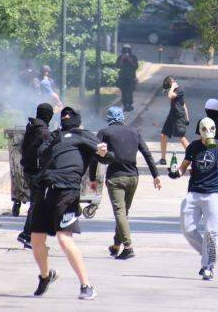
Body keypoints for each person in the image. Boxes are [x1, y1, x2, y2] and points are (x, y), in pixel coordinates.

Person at [30, 106, 111, 299]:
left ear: (77, 118)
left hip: (67, 191)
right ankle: (45, 276)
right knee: (36, 238)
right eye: (63, 115)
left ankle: (86, 286)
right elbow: (41, 152)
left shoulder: (84, 135)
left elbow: (107, 156)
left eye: (70, 115)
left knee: (64, 238)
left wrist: (102, 152)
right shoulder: (55, 136)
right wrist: (51, 141)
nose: (66, 117)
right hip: (46, 188)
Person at [168, 117, 218, 281]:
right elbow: (183, 167)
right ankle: (209, 254)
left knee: (212, 232)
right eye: (204, 129)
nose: (207, 133)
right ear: (199, 131)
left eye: (210, 129)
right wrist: (175, 173)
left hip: (213, 194)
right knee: (187, 228)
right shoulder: (193, 146)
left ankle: (208, 265)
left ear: (214, 130)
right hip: (194, 192)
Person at [97, 106, 161, 260]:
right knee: (123, 214)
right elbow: (146, 153)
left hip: (116, 178)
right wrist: (155, 175)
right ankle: (116, 246)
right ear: (122, 118)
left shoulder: (104, 132)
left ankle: (128, 247)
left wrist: (93, 177)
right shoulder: (134, 131)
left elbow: (95, 154)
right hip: (133, 178)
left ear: (109, 119)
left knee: (120, 213)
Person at [17, 103, 54, 249]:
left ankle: (28, 235)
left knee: (36, 204)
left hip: (29, 169)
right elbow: (47, 153)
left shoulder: (32, 127)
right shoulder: (42, 131)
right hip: (36, 172)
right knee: (37, 205)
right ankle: (27, 235)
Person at [159, 76, 190, 165]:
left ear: (170, 83)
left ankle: (194, 156)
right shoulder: (175, 90)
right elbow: (183, 104)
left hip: (178, 116)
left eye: (168, 86)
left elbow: (170, 95)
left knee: (181, 137)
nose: (168, 89)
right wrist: (187, 117)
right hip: (172, 115)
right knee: (163, 135)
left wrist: (172, 86)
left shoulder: (179, 90)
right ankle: (163, 158)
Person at [116, 44, 138, 112]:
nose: (126, 51)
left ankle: (129, 105)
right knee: (123, 92)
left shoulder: (133, 57)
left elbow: (135, 66)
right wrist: (122, 59)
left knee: (129, 92)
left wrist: (129, 60)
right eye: (125, 49)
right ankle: (125, 105)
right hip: (122, 77)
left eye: (127, 49)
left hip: (130, 77)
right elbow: (118, 66)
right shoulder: (120, 57)